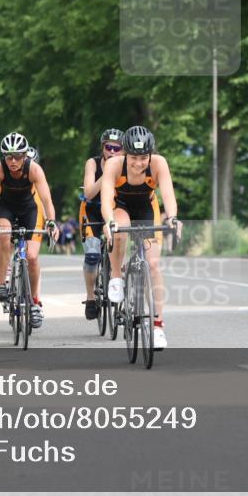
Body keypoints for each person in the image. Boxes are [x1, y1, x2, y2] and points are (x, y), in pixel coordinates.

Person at [101, 126, 180, 350]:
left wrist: (172, 218)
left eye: (143, 157)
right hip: (121, 207)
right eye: (134, 157)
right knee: (120, 227)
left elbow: (168, 194)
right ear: (125, 154)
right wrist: (109, 221)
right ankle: (116, 276)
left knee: (153, 264)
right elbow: (107, 198)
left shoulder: (159, 163)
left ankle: (157, 326)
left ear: (150, 154)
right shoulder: (114, 165)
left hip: (147, 208)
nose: (138, 163)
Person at [0, 132, 59, 328]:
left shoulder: (34, 169)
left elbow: (46, 200)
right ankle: (2, 284)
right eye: (8, 156)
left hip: (28, 209)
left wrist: (51, 222)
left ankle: (34, 301)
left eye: (18, 156)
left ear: (25, 155)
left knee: (33, 257)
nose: (13, 161)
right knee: (4, 233)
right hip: (6, 208)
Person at [79, 128, 124, 320]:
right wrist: (106, 174)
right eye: (109, 147)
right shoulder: (93, 163)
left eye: (117, 148)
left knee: (119, 246)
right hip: (92, 210)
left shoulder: (126, 164)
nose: (112, 152)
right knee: (92, 256)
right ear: (102, 148)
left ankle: (118, 289)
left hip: (114, 210)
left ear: (123, 150)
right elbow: (88, 193)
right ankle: (90, 298)